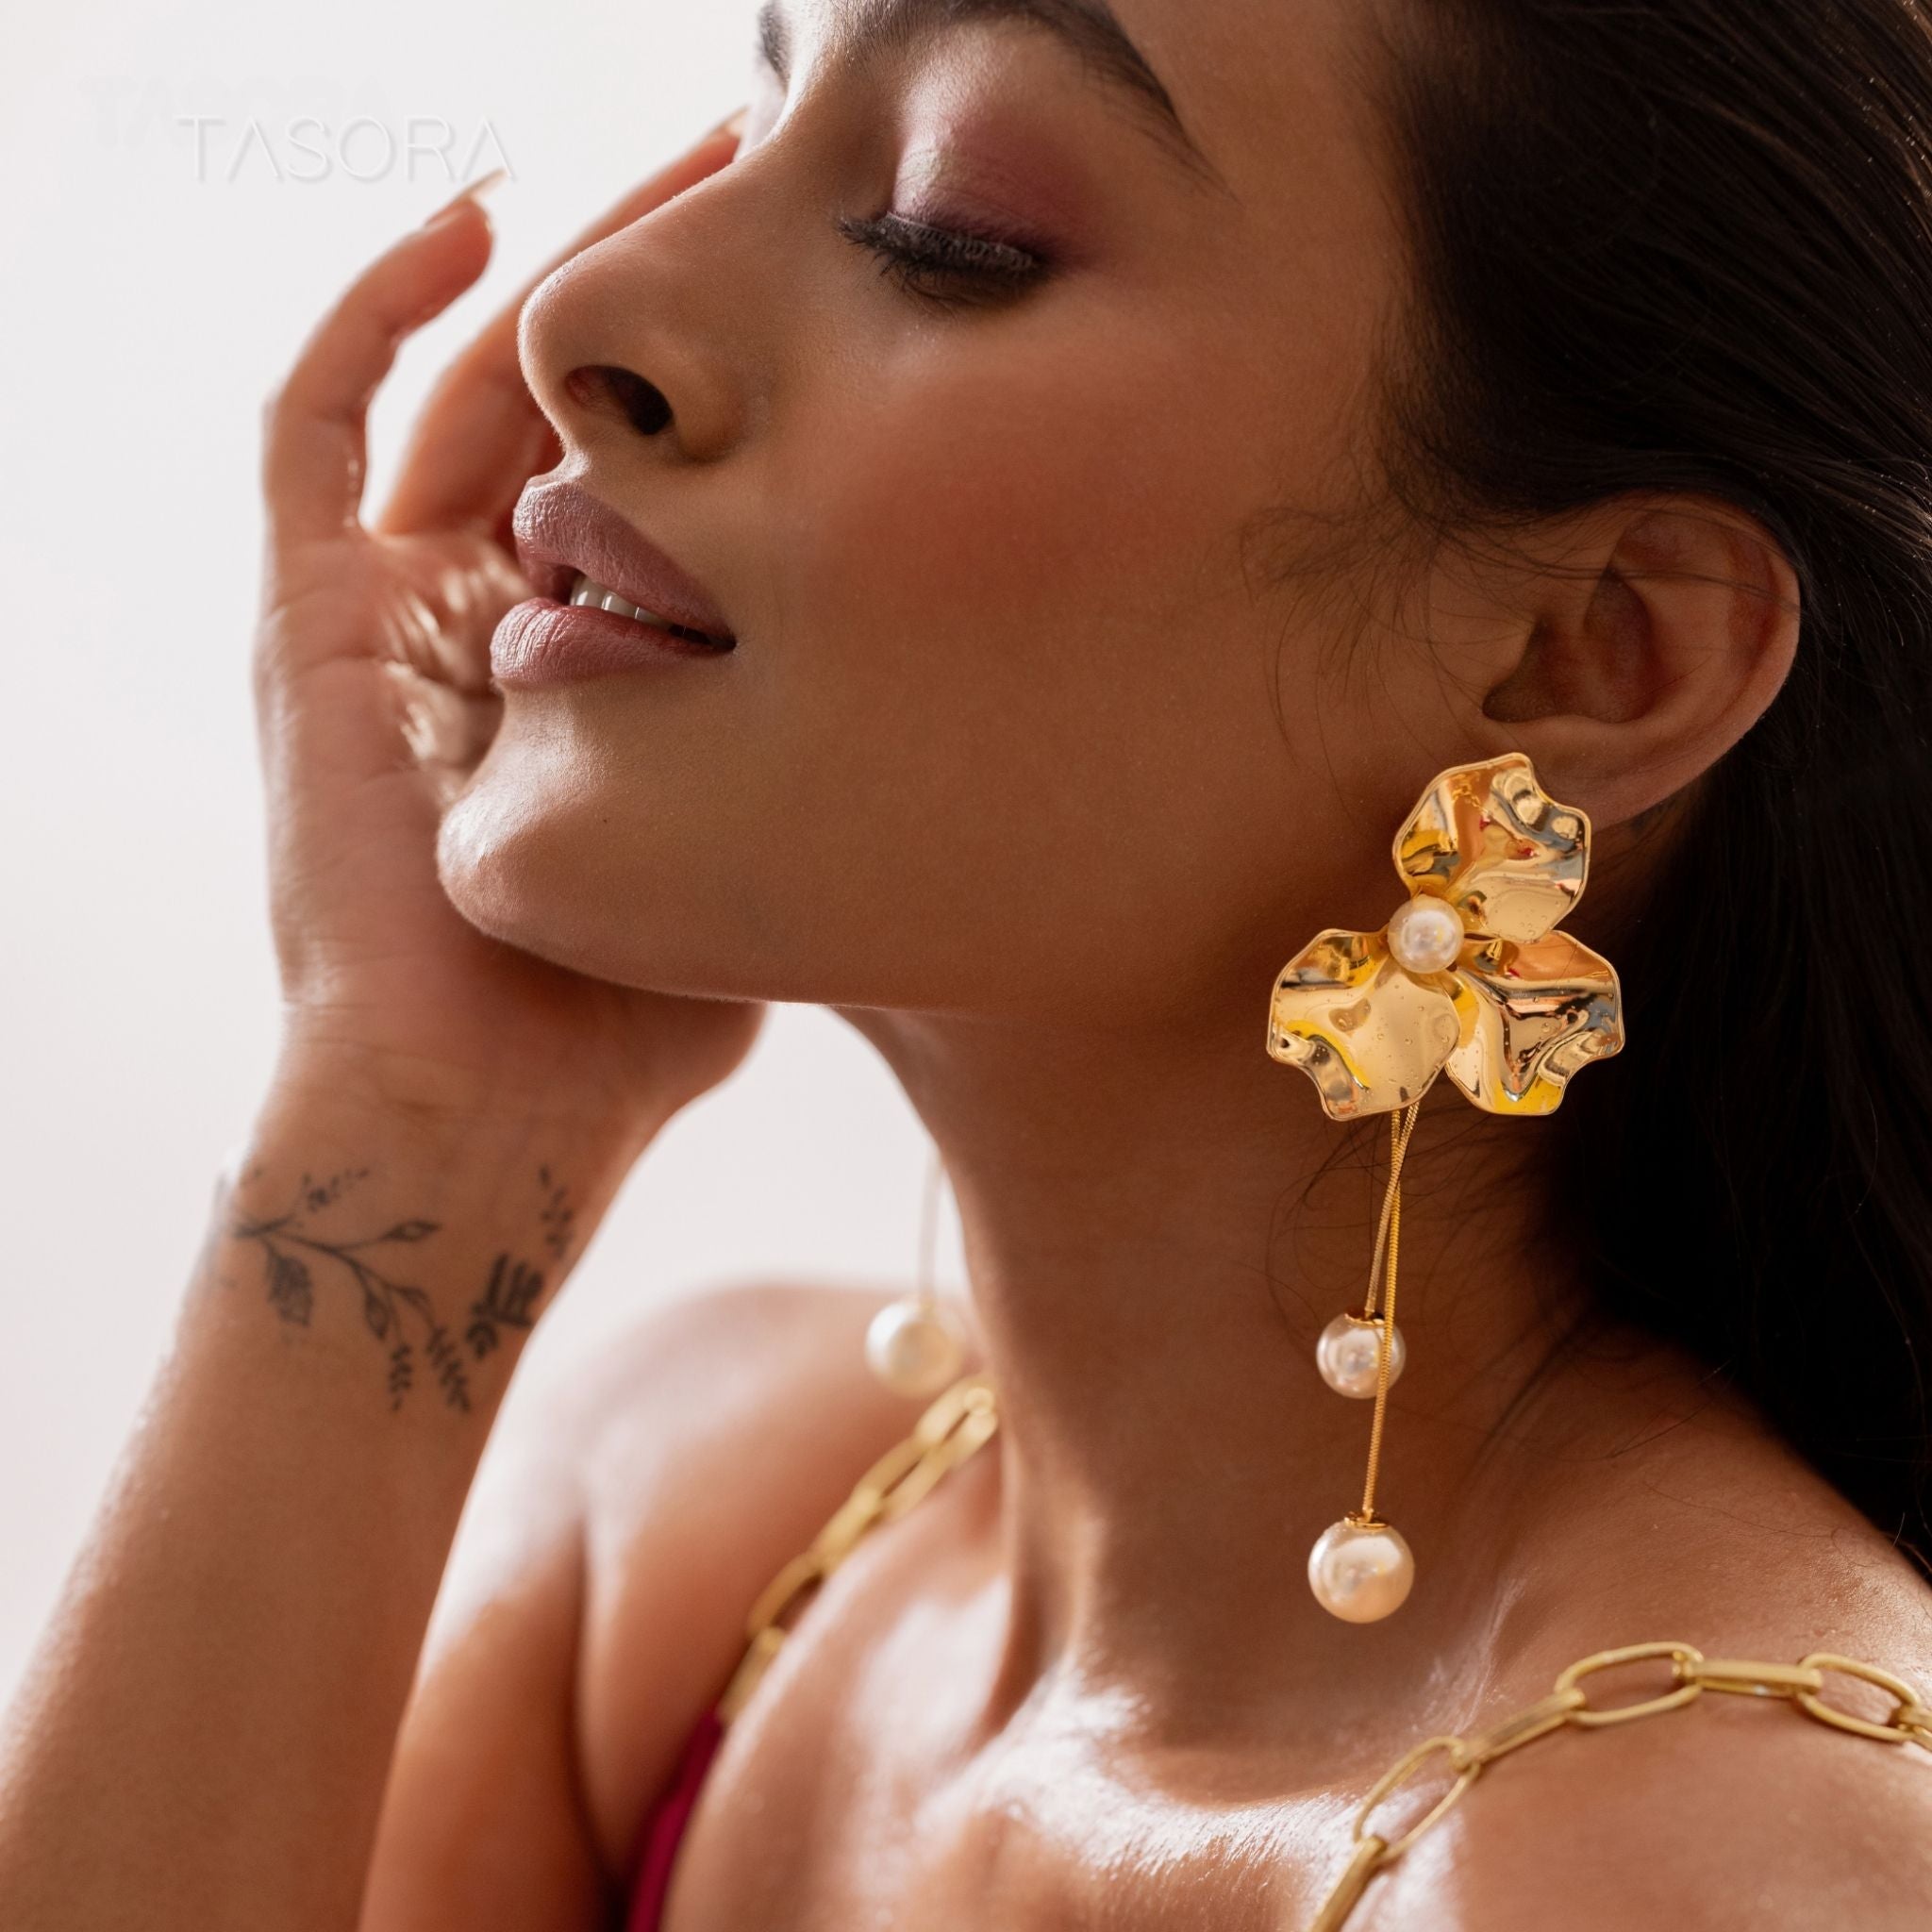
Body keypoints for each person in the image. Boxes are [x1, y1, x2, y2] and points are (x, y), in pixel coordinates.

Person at [3, 0, 1930, 1925]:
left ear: (1591, 653)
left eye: (948, 227)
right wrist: (424, 1129)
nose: (579, 310)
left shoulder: (1710, 1856)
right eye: (754, 106)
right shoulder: (695, 1556)